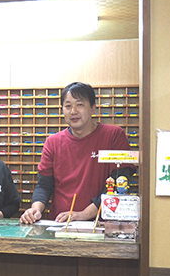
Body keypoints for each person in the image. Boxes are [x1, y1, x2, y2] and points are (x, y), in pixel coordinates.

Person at [20, 82, 136, 224]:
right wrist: (35, 209)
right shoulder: (53, 142)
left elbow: (120, 182)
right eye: (68, 106)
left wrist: (84, 214)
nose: (73, 111)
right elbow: (44, 184)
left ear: (93, 108)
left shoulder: (113, 135)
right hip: (60, 223)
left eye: (79, 105)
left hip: (101, 223)